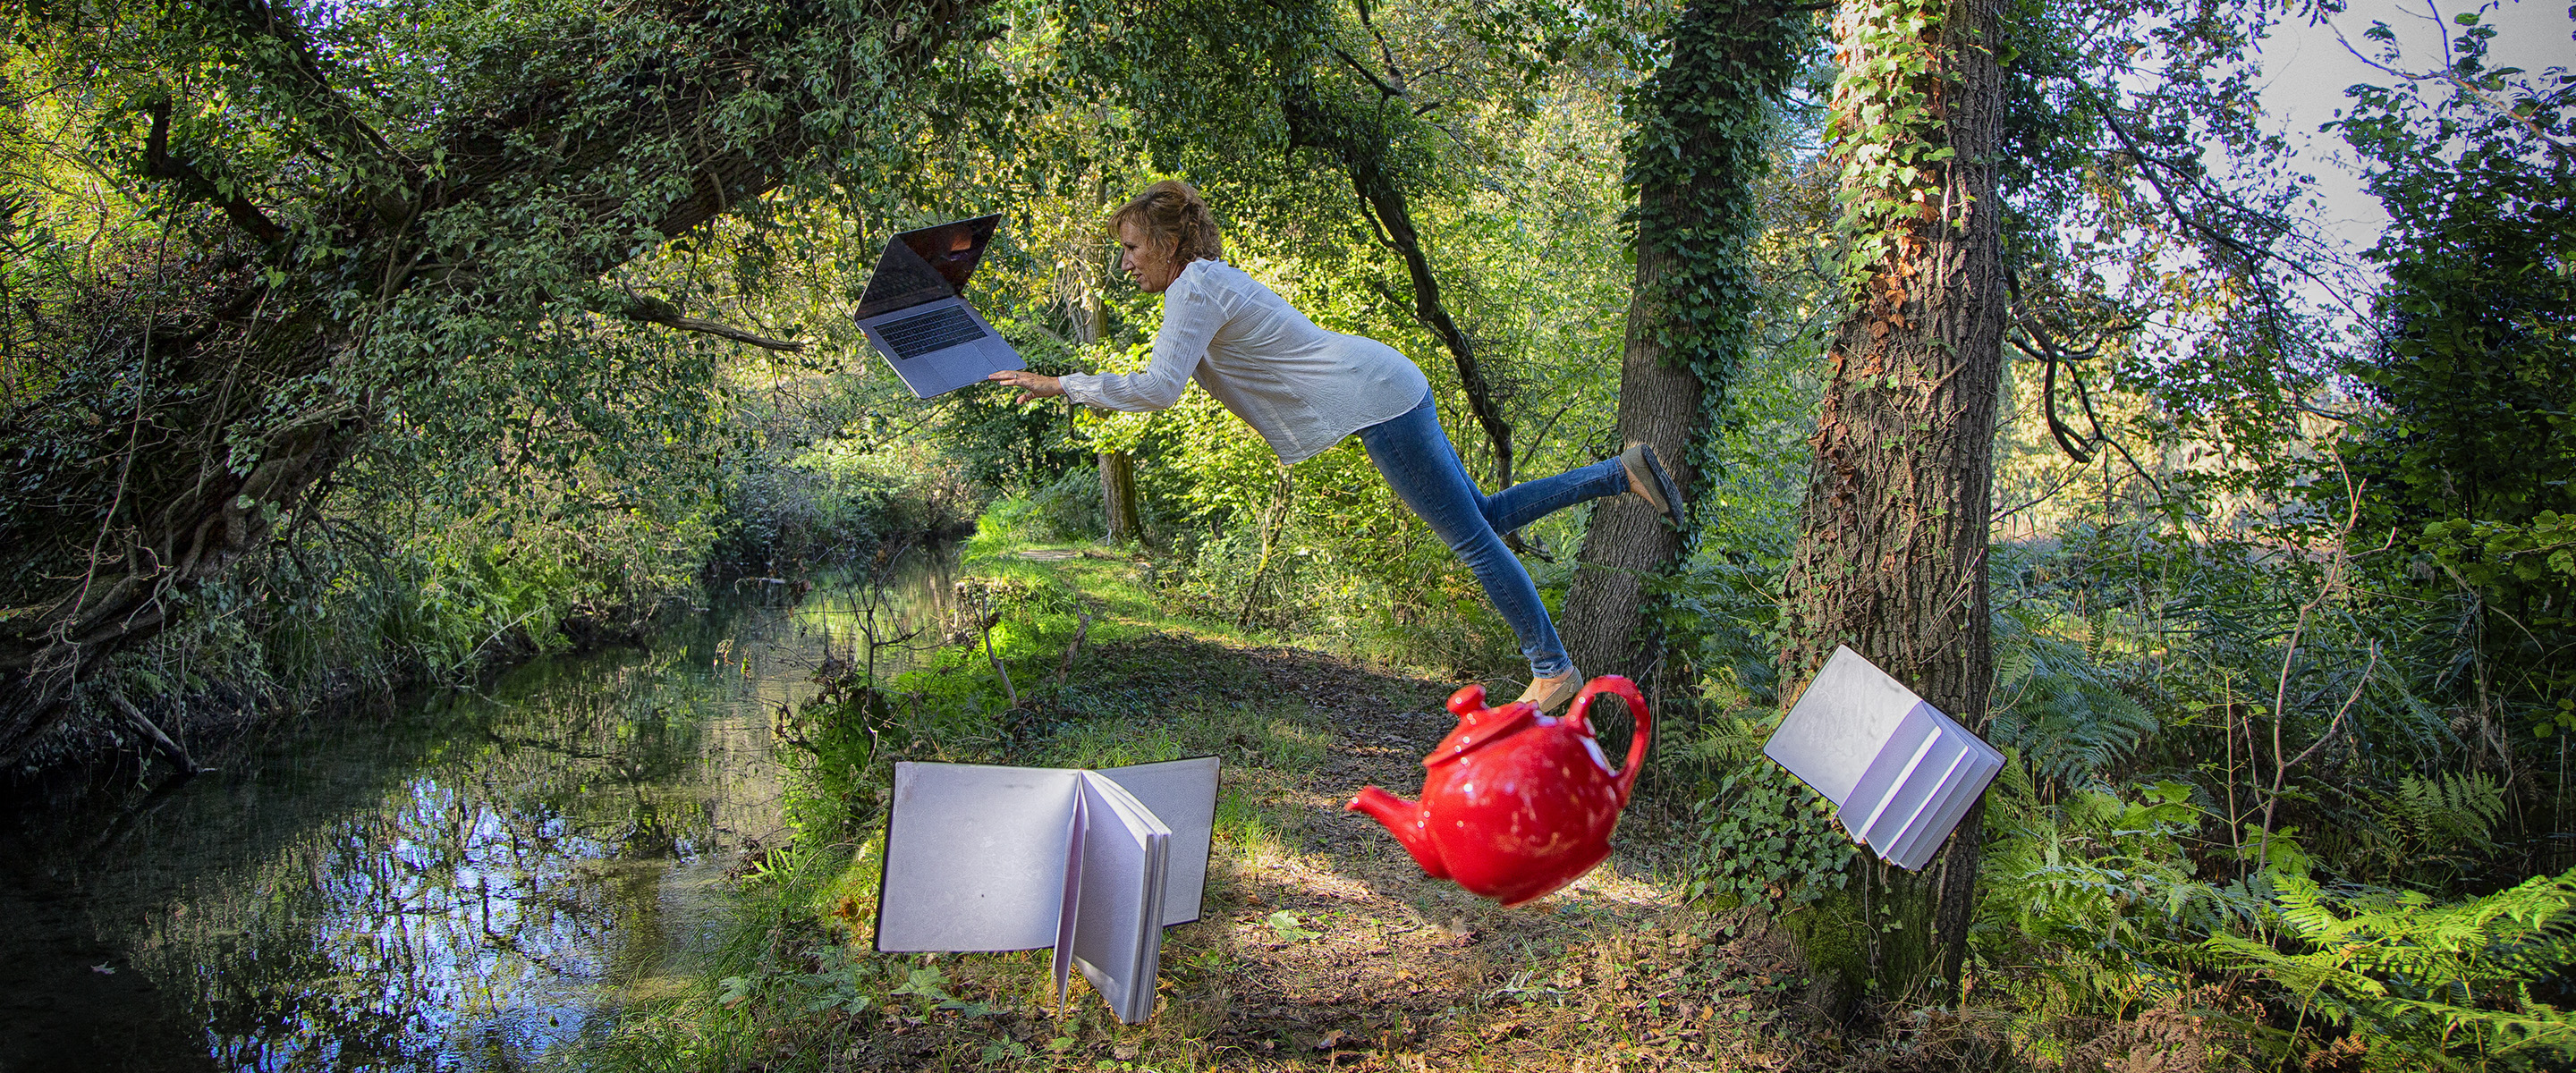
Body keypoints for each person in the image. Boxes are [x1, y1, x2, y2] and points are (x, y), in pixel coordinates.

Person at [987, 180, 1682, 712]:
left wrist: (1061, 385)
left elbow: (1159, 387)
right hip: (1384, 384)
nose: (1126, 264)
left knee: (1473, 542)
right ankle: (1618, 474)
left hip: (1376, 399)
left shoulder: (1194, 286)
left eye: (1133, 248)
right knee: (1486, 520)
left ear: (1170, 245)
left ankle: (1551, 667)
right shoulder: (1204, 284)